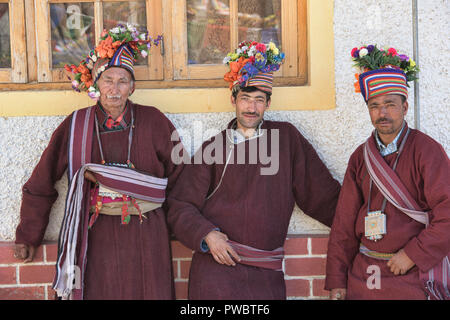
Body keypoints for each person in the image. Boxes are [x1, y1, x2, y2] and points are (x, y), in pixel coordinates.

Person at [14, 25, 184, 300]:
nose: (114, 89)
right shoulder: (76, 125)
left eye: (122, 81)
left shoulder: (154, 121)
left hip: (147, 236)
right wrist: (28, 235)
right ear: (96, 84)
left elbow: (181, 179)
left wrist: (180, 229)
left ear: (132, 86)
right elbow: (42, 181)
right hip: (95, 236)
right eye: (107, 80)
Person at [167, 41, 341, 299]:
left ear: (268, 104)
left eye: (259, 100)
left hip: (265, 278)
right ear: (233, 100)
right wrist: (207, 235)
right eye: (245, 98)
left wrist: (362, 225)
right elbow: (179, 205)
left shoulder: (286, 140)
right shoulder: (212, 148)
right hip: (216, 276)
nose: (251, 107)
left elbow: (323, 195)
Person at [325, 44, 450, 300]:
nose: (382, 113)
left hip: (413, 275)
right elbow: (344, 224)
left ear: (404, 108)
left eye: (390, 104)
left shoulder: (427, 151)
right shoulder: (360, 157)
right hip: (364, 276)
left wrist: (413, 254)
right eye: (374, 105)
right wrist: (337, 279)